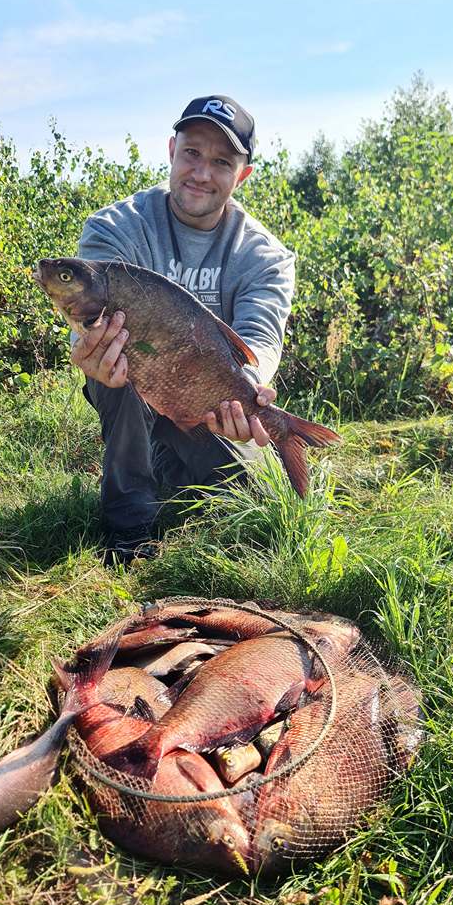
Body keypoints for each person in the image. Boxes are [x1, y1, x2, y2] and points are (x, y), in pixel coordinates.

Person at [72, 94, 295, 564]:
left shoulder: (266, 257)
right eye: (192, 152)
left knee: (255, 503)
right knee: (123, 358)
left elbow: (260, 339)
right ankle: (129, 526)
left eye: (221, 161)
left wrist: (247, 394)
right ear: (171, 150)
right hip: (133, 380)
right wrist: (87, 351)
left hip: (211, 394)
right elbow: (87, 318)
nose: (201, 172)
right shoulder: (115, 229)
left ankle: (165, 458)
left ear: (243, 175)